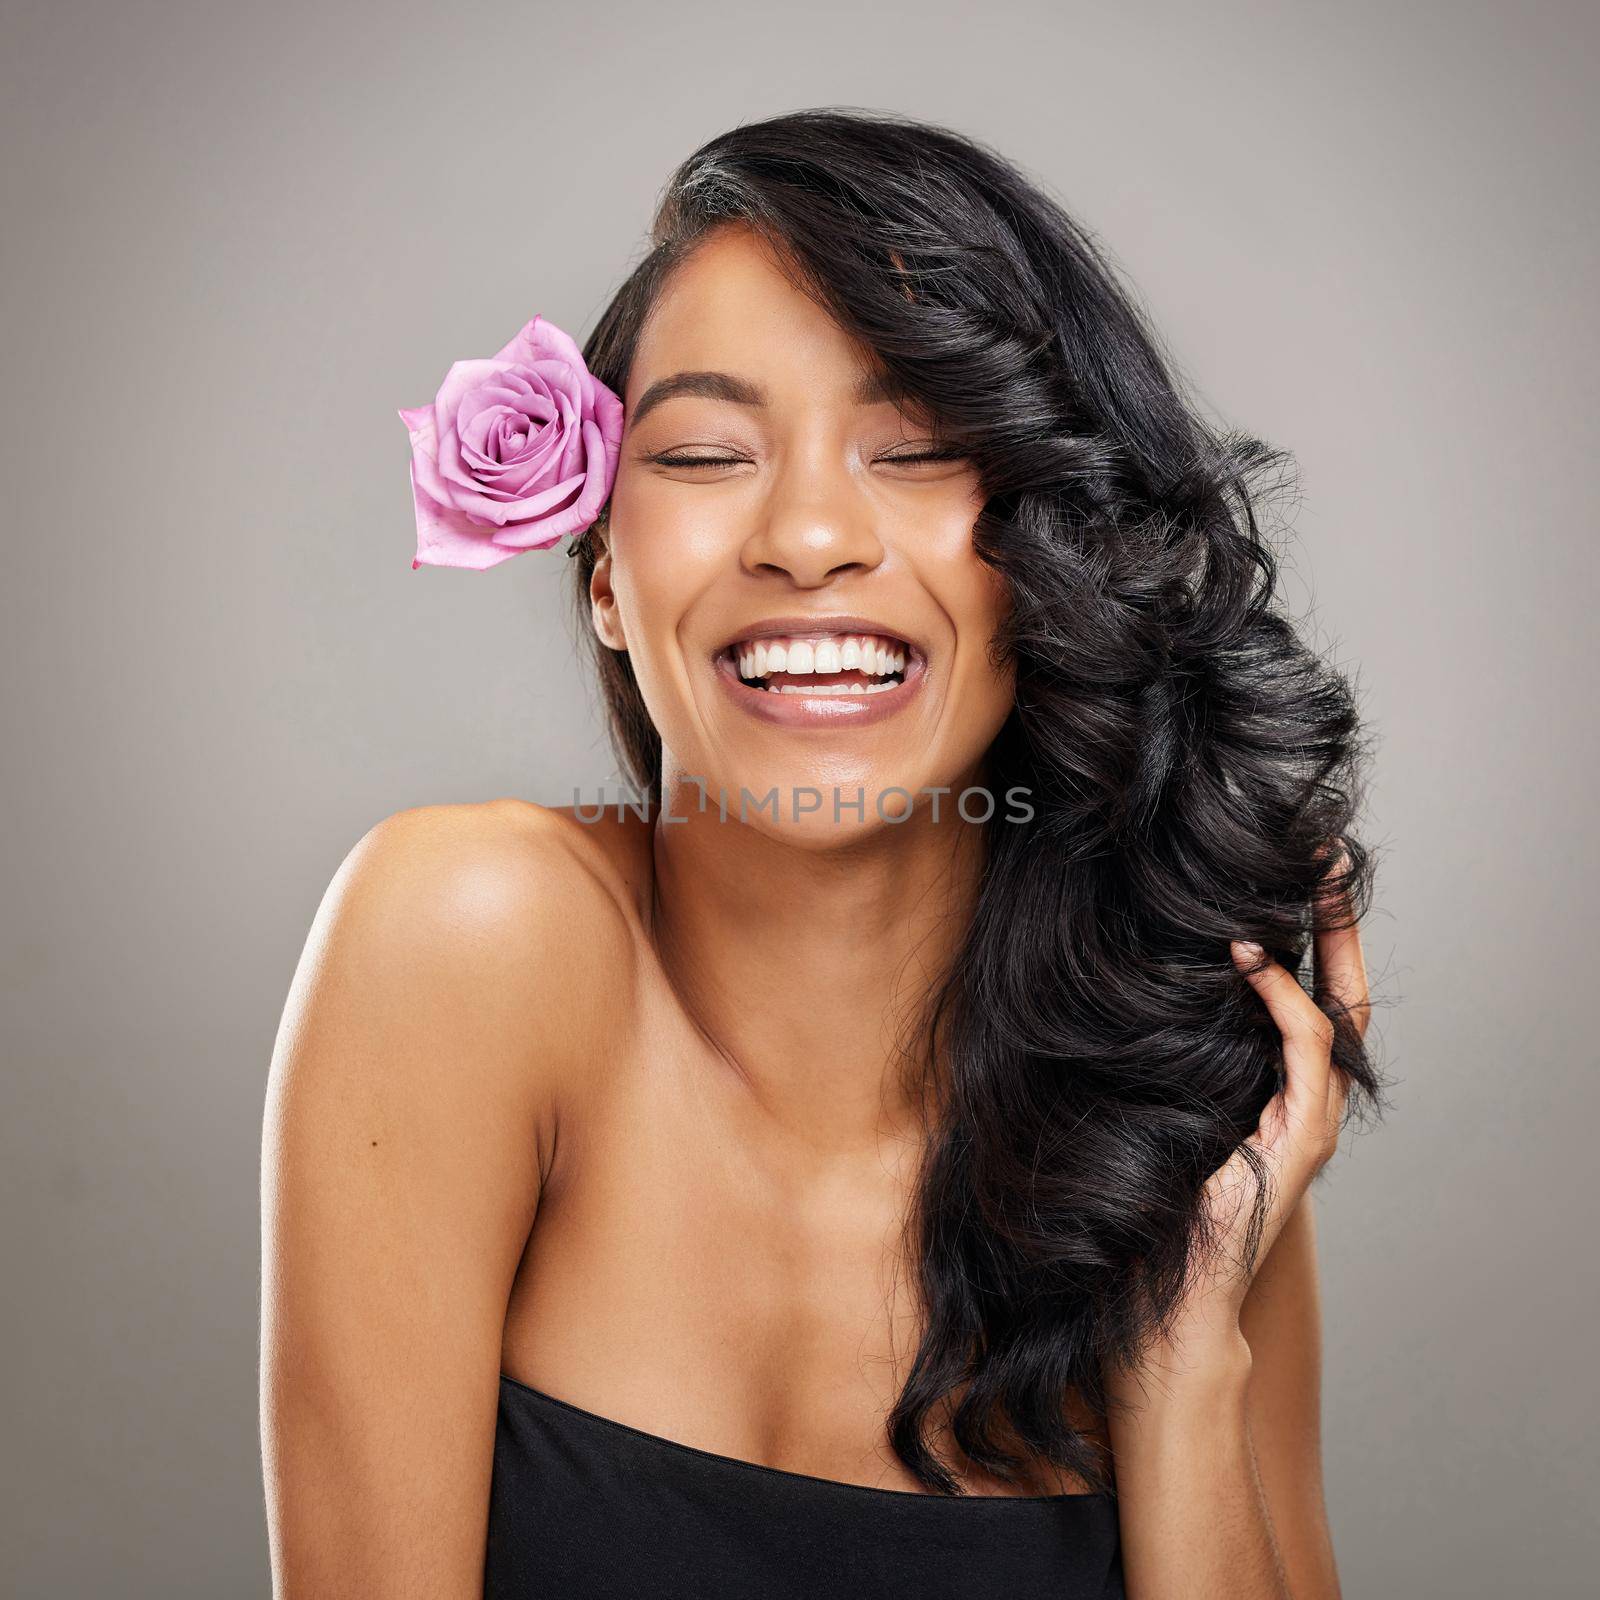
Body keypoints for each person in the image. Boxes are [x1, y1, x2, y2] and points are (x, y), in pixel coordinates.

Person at [260, 108, 1381, 1598]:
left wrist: (1180, 1353)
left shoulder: (1171, 1109)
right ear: (604, 576)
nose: (805, 534)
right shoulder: (466, 935)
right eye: (709, 451)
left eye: (916, 448)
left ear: (1052, 556)